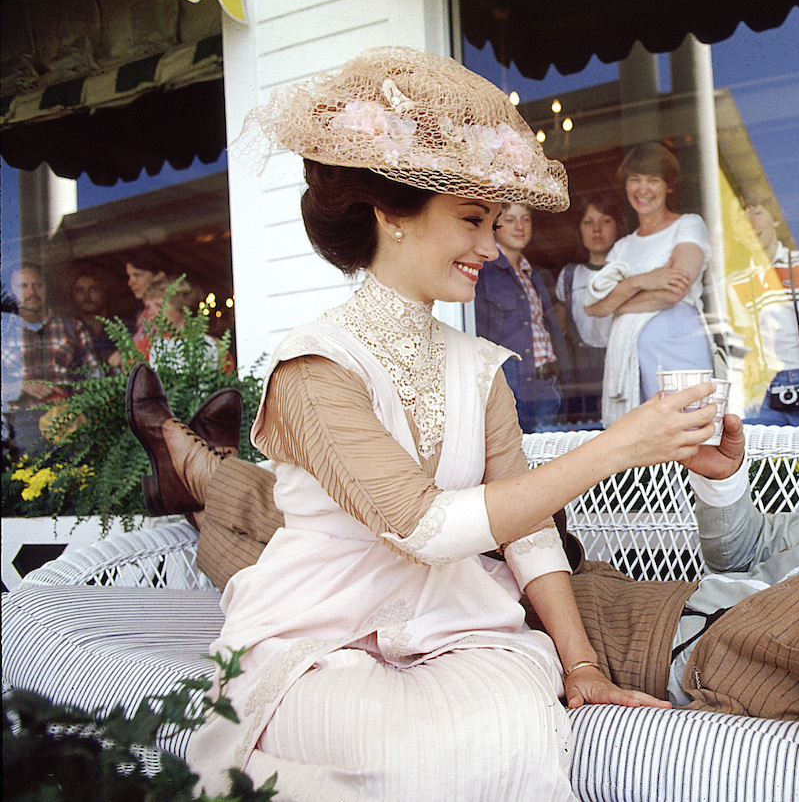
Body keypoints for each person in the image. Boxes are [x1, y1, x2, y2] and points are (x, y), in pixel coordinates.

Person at [133, 323, 799, 800]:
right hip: (634, 593)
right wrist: (725, 481)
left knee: (357, 538)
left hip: (621, 643)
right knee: (451, 503)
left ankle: (196, 467)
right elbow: (762, 566)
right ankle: (212, 466)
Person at [126, 46, 720, 801]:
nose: (489, 246)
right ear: (390, 215)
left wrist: (580, 664)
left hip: (457, 626)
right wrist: (618, 447)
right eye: (471, 220)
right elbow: (422, 526)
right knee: (410, 753)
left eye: (493, 223)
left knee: (512, 729)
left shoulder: (479, 367)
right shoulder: (313, 365)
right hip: (316, 633)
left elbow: (529, 533)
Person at [585, 142, 715, 427]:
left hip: (680, 352)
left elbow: (673, 292)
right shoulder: (622, 246)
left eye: (653, 180)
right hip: (634, 365)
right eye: (635, 179)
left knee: (691, 433)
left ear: (669, 186)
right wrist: (645, 280)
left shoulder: (688, 225)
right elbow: (594, 307)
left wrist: (618, 303)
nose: (642, 189)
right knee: (644, 441)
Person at [727, 196, 799, 426]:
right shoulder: (737, 282)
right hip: (766, 386)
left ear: (776, 219)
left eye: (757, 213)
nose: (750, 223)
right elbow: (748, 346)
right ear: (735, 233)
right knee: (759, 448)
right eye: (740, 218)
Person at [474, 202, 570, 431]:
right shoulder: (484, 272)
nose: (520, 226)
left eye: (526, 219)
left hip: (548, 382)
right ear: (494, 225)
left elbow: (550, 332)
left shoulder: (534, 274)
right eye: (510, 219)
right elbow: (479, 334)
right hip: (513, 387)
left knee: (552, 446)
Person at [1, 265, 101, 457]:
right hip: (21, 429)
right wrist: (20, 387)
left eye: (37, 285)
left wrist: (74, 400)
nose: (31, 292)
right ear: (11, 291)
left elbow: (96, 378)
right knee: (30, 475)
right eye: (23, 286)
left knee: (79, 473)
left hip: (70, 421)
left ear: (46, 288)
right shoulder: (3, 332)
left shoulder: (73, 327)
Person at [554, 193, 625, 425]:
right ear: (580, 230)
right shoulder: (570, 276)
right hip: (582, 372)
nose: (597, 229)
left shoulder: (627, 272)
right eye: (588, 222)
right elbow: (559, 329)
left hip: (621, 364)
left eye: (605, 221)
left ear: (617, 227)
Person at [70, 267, 124, 367]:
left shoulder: (122, 327)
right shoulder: (70, 330)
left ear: (104, 291)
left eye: (93, 289)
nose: (86, 296)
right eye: (80, 291)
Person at [124, 254, 169, 353]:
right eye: (129, 276)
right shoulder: (141, 316)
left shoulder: (170, 312)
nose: (130, 282)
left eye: (137, 275)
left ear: (159, 276)